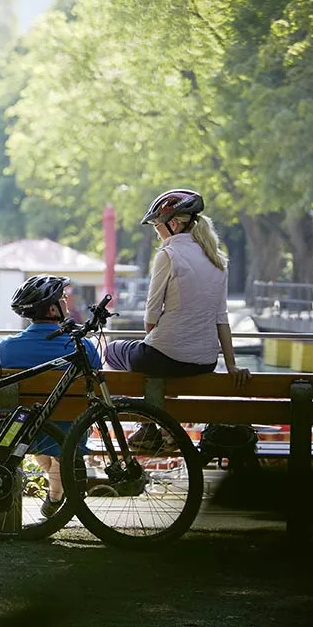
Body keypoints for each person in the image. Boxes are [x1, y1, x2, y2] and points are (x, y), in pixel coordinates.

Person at [104, 188, 250, 450]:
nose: (156, 232)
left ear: (173, 224)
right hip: (204, 362)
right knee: (161, 367)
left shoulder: (168, 255)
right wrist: (231, 365)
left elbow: (151, 316)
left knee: (113, 351)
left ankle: (148, 428)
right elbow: (221, 317)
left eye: (157, 226)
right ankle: (167, 429)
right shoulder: (218, 260)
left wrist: (154, 341)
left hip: (165, 356)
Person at [0, 274, 102, 518]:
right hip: (71, 429)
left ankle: (54, 496)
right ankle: (55, 496)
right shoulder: (81, 347)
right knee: (61, 441)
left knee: (42, 437)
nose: (67, 303)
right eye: (63, 299)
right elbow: (95, 387)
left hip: (24, 431)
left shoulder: (7, 348)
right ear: (54, 309)